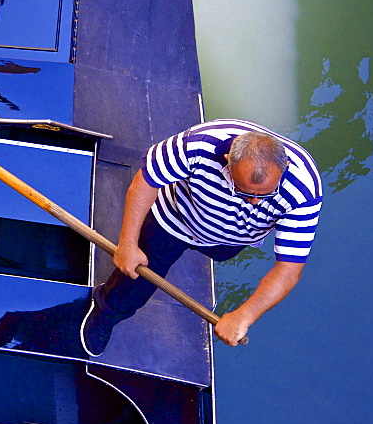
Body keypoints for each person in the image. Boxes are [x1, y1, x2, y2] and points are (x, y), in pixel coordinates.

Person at [81, 119, 322, 356]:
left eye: (266, 194)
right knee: (136, 278)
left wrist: (243, 316)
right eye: (244, 192)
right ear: (228, 162)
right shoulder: (199, 143)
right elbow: (145, 182)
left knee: (218, 252)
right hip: (175, 219)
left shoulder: (304, 189)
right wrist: (128, 244)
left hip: (230, 240)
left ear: (286, 166)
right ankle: (106, 312)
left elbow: (289, 269)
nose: (255, 202)